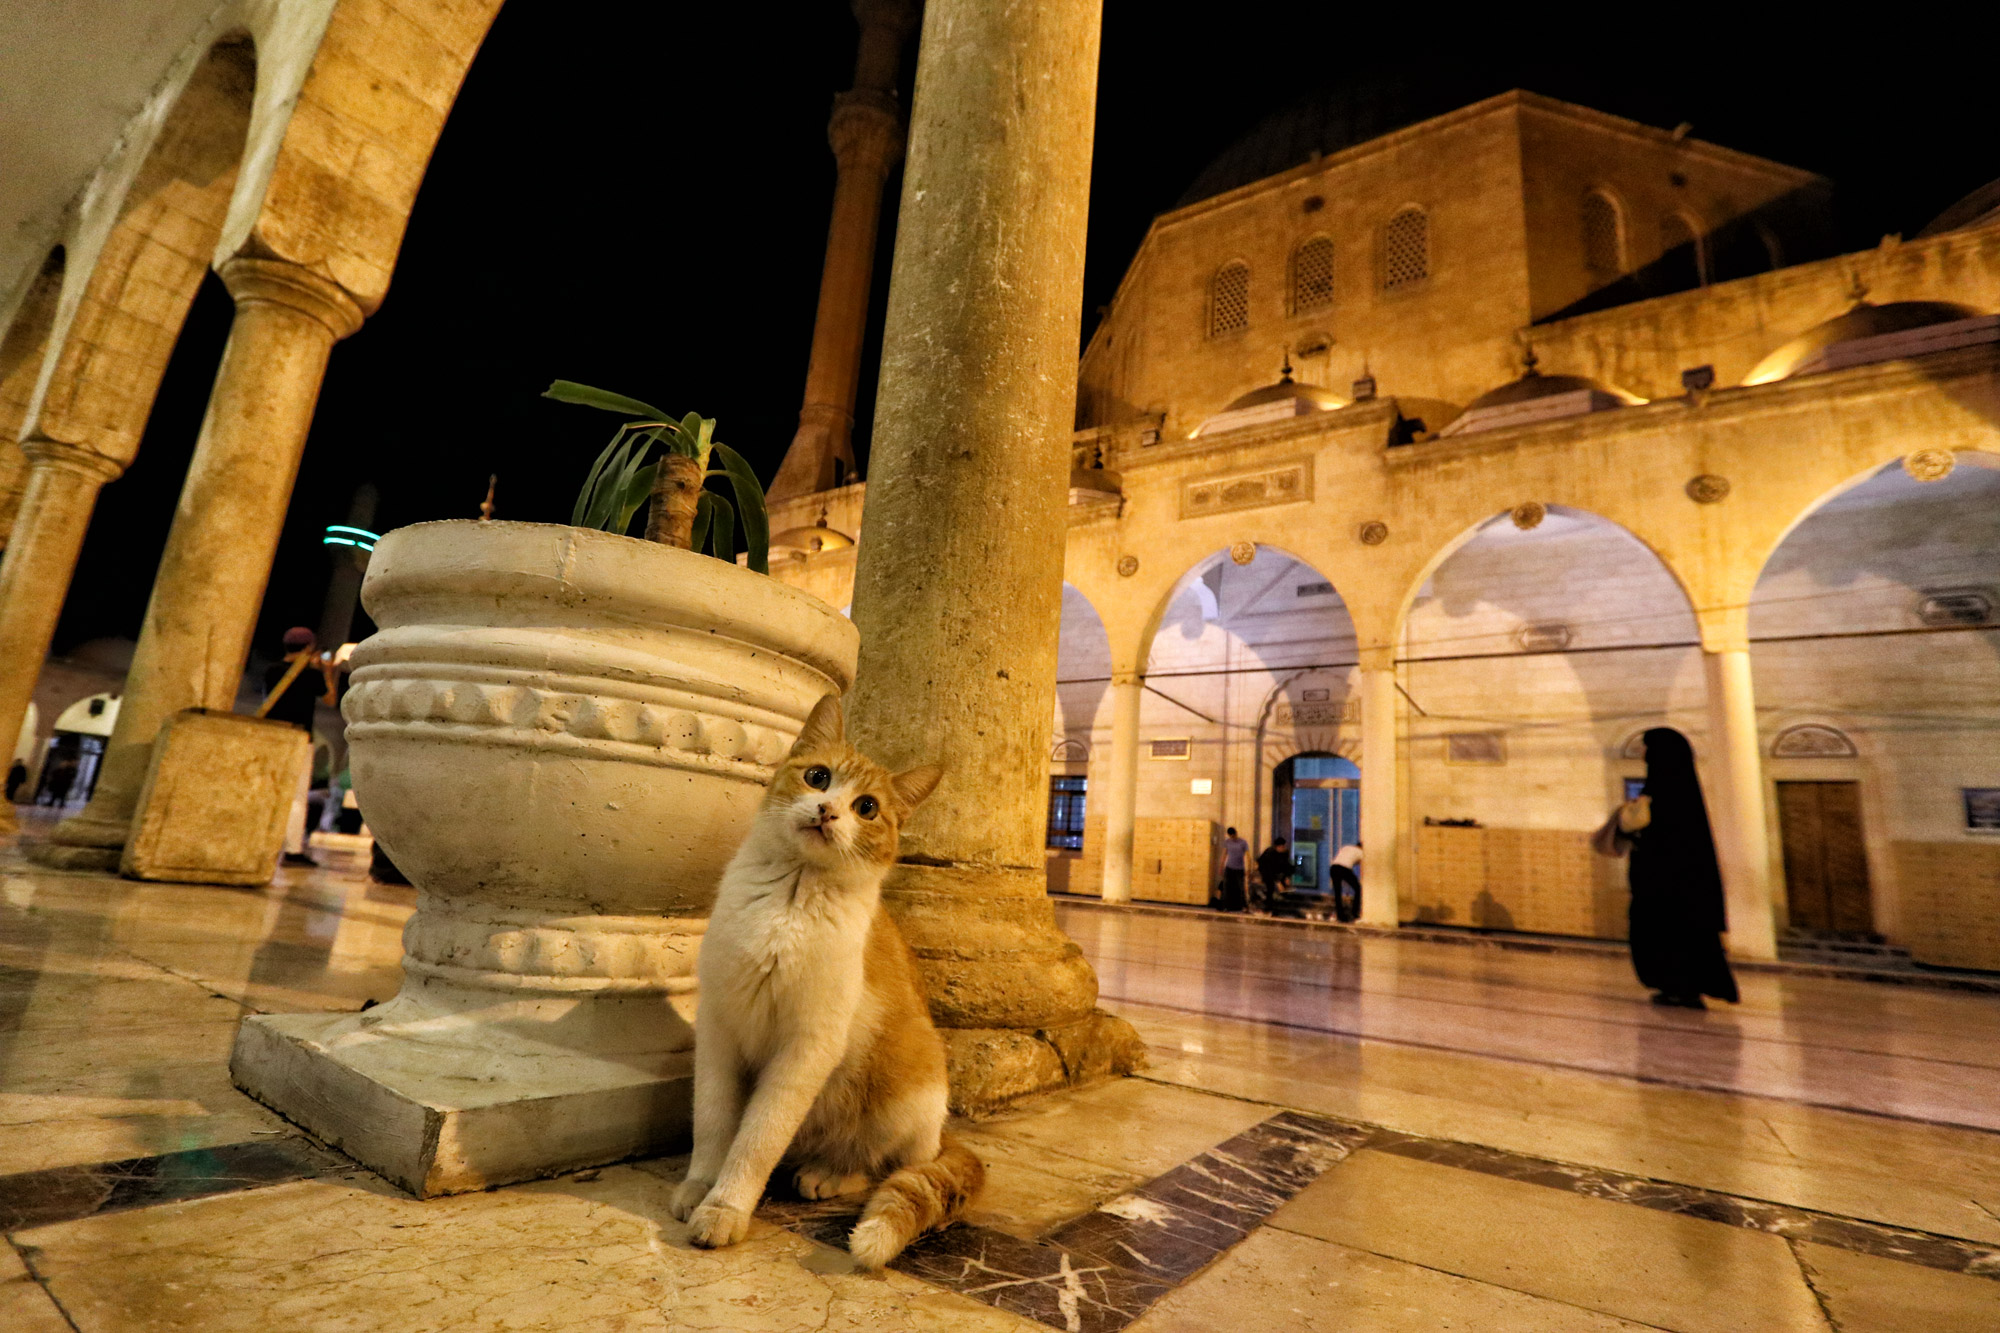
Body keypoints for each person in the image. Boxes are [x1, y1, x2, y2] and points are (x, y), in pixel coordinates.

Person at [1592, 727, 1738, 1010]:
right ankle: (1680, 987)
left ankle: (1681, 988)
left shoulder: (1663, 796)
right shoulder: (1677, 793)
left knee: (1667, 935)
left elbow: (1660, 839)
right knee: (1674, 934)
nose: (1642, 752)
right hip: (1673, 887)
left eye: (1646, 746)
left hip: (1665, 889)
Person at [263, 626, 326, 867]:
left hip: (273, 735)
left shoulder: (272, 670)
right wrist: (325, 670)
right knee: (297, 796)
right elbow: (329, 698)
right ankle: (292, 849)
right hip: (300, 736)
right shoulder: (311, 674)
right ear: (309, 647)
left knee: (270, 790)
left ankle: (263, 843)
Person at [1255, 836, 1292, 912]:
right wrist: (1277, 882)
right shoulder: (1270, 853)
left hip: (1277, 873)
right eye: (1281, 847)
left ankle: (1278, 903)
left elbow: (1286, 865)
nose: (1283, 849)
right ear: (1277, 847)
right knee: (1270, 888)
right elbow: (1269, 869)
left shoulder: (1284, 853)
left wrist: (1287, 877)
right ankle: (1269, 907)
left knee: (1282, 887)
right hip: (1266, 872)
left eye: (1283, 847)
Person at [1217, 826, 1250, 912]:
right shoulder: (1227, 842)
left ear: (1236, 833)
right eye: (1231, 836)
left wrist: (1249, 868)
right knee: (1226, 887)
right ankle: (1225, 906)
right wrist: (1221, 867)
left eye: (1234, 835)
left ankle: (1244, 906)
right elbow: (1224, 855)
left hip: (1239, 868)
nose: (1233, 837)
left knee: (1241, 887)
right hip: (1229, 867)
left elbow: (1248, 856)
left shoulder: (1243, 842)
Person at [1331, 841, 1363, 923]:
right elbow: (1361, 865)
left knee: (1337, 893)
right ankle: (1355, 912)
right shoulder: (1361, 852)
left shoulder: (1346, 847)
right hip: (1344, 869)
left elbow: (1344, 858)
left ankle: (1340, 916)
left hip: (1333, 868)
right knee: (1358, 888)